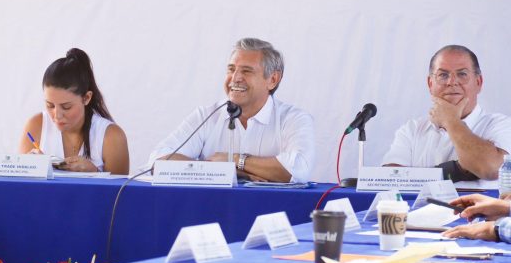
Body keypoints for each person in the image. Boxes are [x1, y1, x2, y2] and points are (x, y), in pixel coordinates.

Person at [148, 38, 314, 183]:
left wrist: (235, 159)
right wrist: (230, 171)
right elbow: (158, 160)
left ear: (272, 79)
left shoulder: (294, 119)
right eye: (231, 69)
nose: (235, 78)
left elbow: (299, 170)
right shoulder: (207, 115)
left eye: (246, 71)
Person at [382, 45, 511, 188]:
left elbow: (492, 169)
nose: (451, 82)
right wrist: (457, 170)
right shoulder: (411, 130)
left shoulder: (501, 126)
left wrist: (451, 121)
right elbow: (390, 182)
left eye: (462, 74)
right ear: (430, 83)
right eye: (443, 75)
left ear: (478, 82)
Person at [19, 48, 129, 174]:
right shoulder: (36, 126)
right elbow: (18, 184)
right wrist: (30, 169)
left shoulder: (111, 137)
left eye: (66, 107)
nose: (57, 116)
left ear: (86, 98)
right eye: (50, 105)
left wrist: (95, 173)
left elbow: (121, 187)